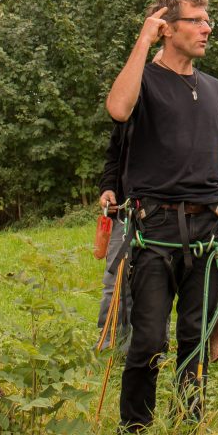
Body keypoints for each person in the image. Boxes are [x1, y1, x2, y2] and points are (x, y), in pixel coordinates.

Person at [105, 0, 218, 432]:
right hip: (155, 230)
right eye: (196, 20)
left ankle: (189, 425)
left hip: (208, 231)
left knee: (195, 339)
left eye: (207, 19)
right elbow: (118, 109)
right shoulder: (144, 81)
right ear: (167, 28)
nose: (207, 27)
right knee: (148, 340)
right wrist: (142, 41)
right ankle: (134, 432)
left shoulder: (214, 89)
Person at [94, 122, 131, 349]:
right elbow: (114, 158)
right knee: (114, 280)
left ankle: (150, 348)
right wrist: (108, 188)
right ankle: (108, 342)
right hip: (123, 212)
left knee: (153, 283)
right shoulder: (126, 115)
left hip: (161, 216)